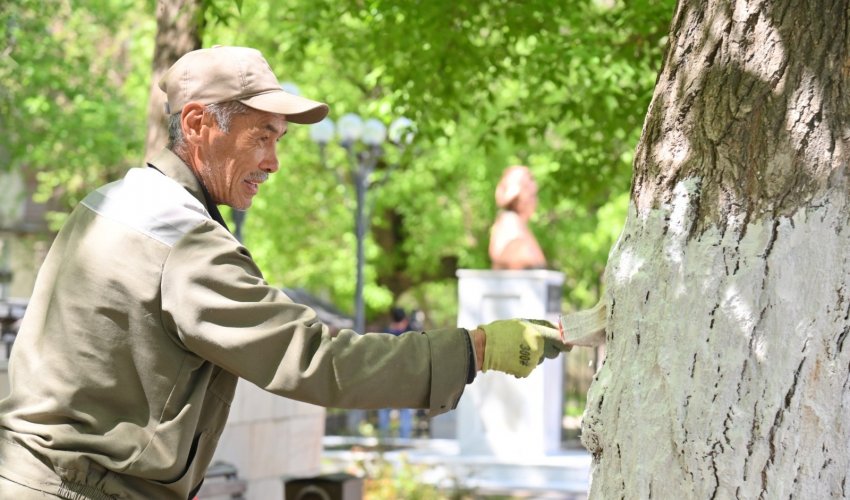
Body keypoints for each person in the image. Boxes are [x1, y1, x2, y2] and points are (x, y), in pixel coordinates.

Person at [0, 46, 568, 500]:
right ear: (197, 124)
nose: (273, 162)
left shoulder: (111, 201)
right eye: (261, 136)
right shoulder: (185, 241)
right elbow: (315, 359)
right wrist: (477, 348)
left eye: (279, 139)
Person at [488, 165, 547, 270]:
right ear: (518, 196)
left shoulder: (519, 226)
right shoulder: (510, 226)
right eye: (532, 195)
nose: (535, 201)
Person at [377, 307, 415, 438]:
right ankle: (404, 443)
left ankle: (384, 441)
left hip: (388, 377)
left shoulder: (386, 334)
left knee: (385, 410)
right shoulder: (411, 335)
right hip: (405, 378)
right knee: (404, 412)